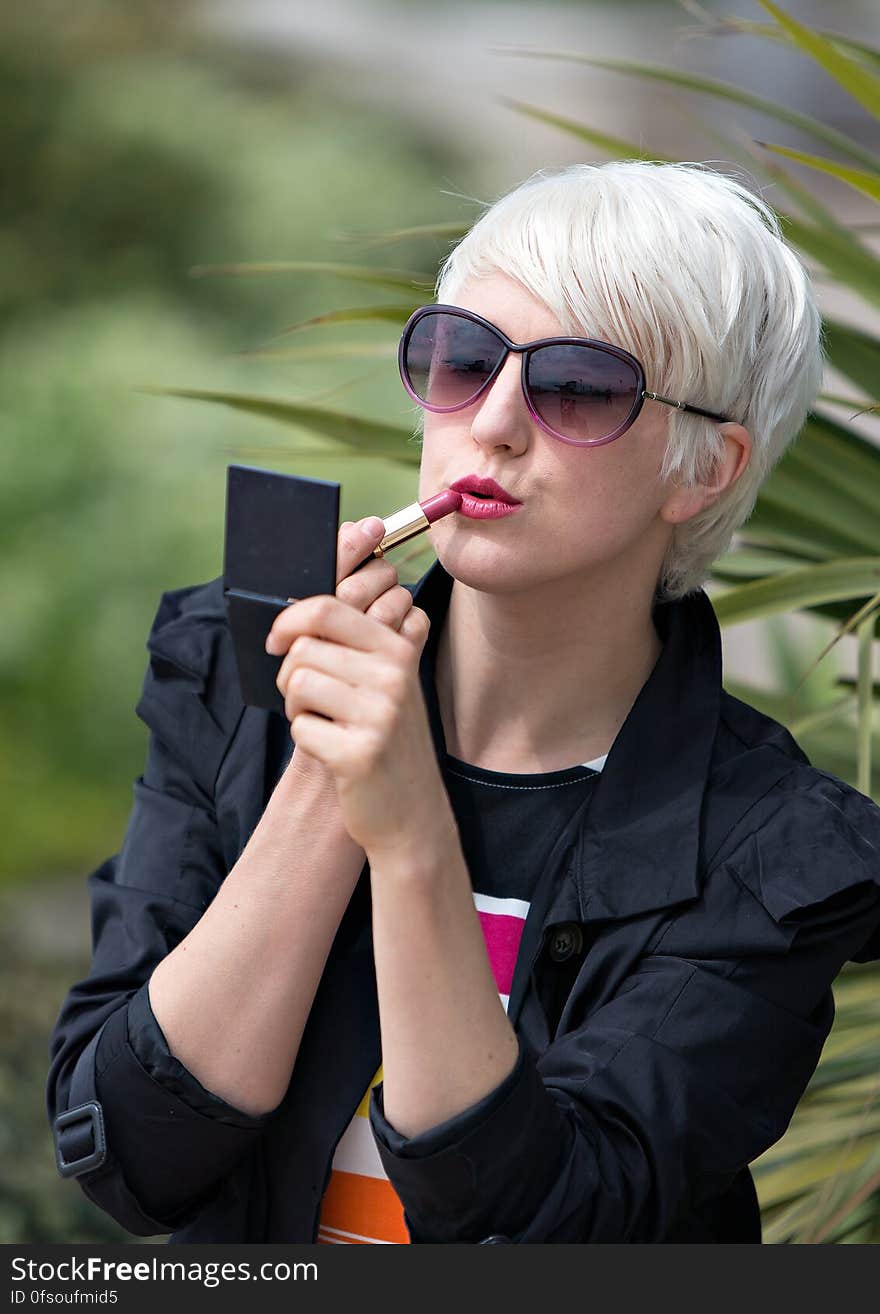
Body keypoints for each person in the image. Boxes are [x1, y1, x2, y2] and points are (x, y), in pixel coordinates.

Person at [48, 160, 880, 1245]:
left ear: (703, 469)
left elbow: (538, 1222)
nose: (491, 422)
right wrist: (324, 774)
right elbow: (127, 1152)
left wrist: (410, 839)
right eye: (463, 358)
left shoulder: (778, 856)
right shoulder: (242, 671)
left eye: (577, 385)